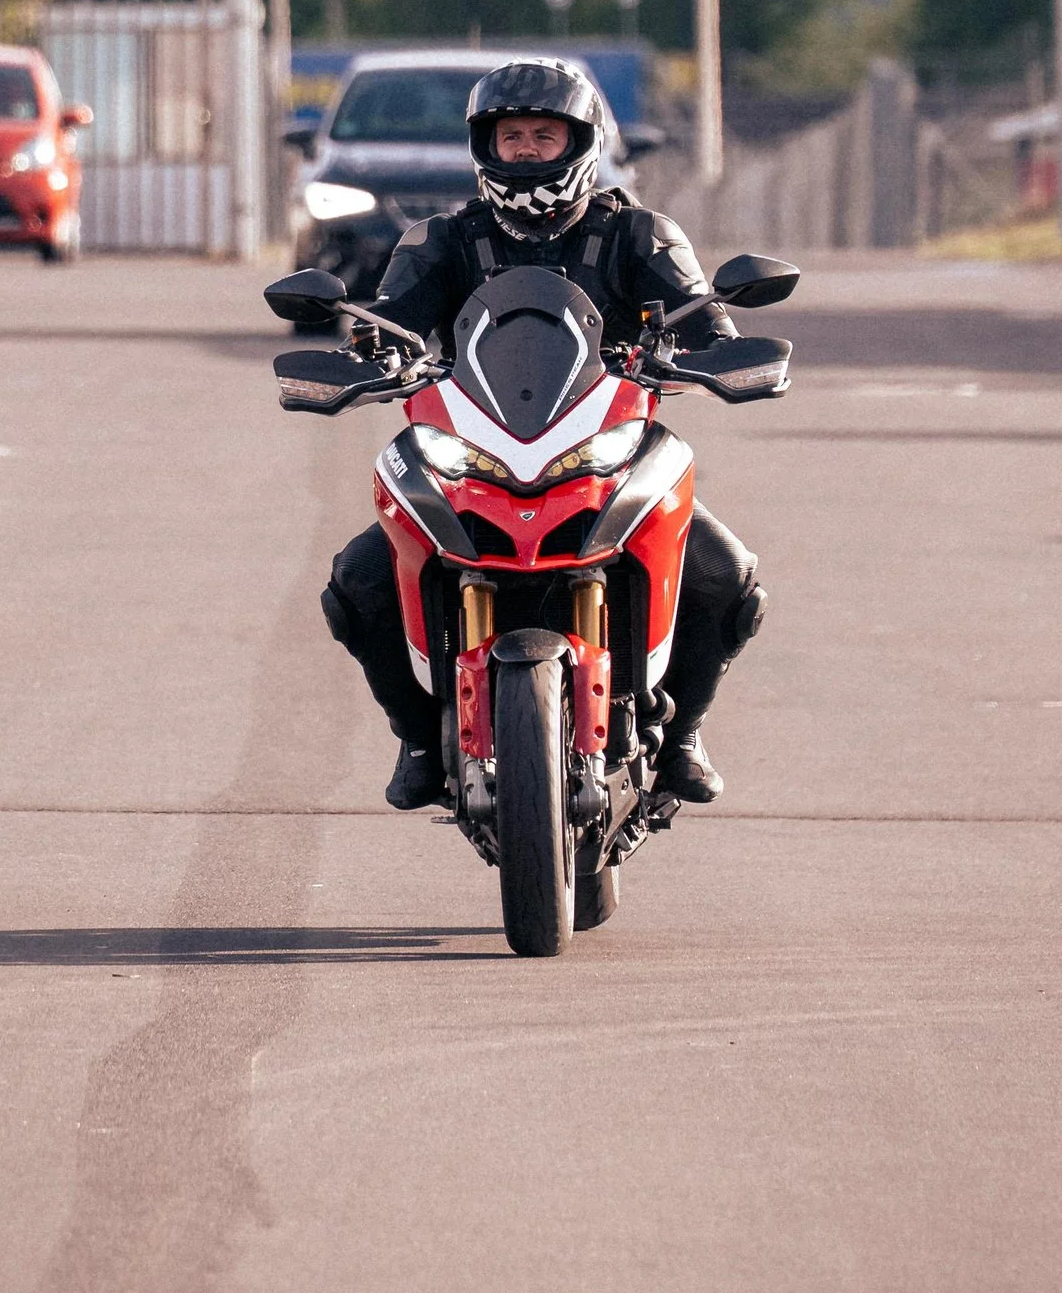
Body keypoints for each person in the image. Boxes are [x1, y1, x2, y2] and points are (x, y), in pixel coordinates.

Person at [319, 60, 764, 811]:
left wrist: (715, 351)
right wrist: (371, 355)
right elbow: (391, 323)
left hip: (608, 445)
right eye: (511, 135)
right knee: (357, 584)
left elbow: (704, 322)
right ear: (485, 146)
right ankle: (419, 738)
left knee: (727, 579)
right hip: (477, 450)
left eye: (543, 135)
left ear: (578, 141)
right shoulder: (441, 240)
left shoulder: (639, 233)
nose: (526, 150)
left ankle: (683, 733)